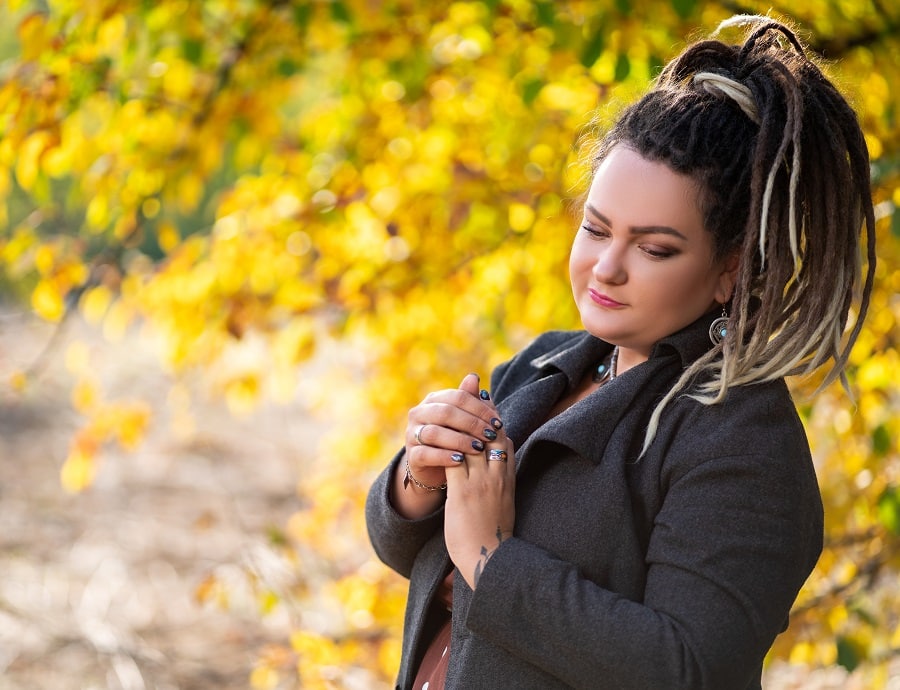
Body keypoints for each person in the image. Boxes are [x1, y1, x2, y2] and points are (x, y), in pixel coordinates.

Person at [366, 15, 876, 690]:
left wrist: (492, 559)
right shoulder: (545, 365)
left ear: (732, 269)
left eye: (653, 248)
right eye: (596, 229)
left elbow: (684, 668)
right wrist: (420, 477)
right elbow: (423, 557)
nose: (606, 268)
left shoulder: (742, 441)